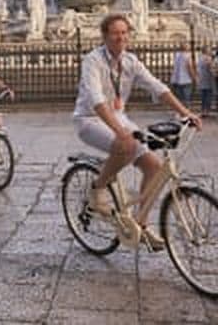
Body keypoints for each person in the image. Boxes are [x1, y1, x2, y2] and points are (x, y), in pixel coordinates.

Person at [73, 14, 202, 251]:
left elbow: (158, 87)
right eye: (115, 33)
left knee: (154, 167)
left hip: (118, 117)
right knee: (127, 145)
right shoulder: (92, 60)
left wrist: (185, 113)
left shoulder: (130, 61)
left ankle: (140, 223)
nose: (121, 37)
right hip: (89, 119)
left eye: (124, 32)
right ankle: (97, 188)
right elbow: (97, 101)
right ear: (104, 36)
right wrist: (119, 131)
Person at [170, 41, 196, 107]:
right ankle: (186, 112)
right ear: (186, 48)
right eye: (188, 46)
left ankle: (179, 113)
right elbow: (189, 67)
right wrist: (194, 77)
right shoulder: (187, 56)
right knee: (186, 98)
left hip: (176, 79)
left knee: (179, 98)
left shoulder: (177, 55)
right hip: (186, 79)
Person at [196, 45, 214, 118]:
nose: (211, 51)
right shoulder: (208, 58)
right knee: (208, 96)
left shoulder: (200, 58)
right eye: (209, 50)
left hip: (201, 79)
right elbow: (211, 68)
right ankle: (207, 111)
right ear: (206, 51)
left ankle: (203, 111)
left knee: (203, 96)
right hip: (208, 79)